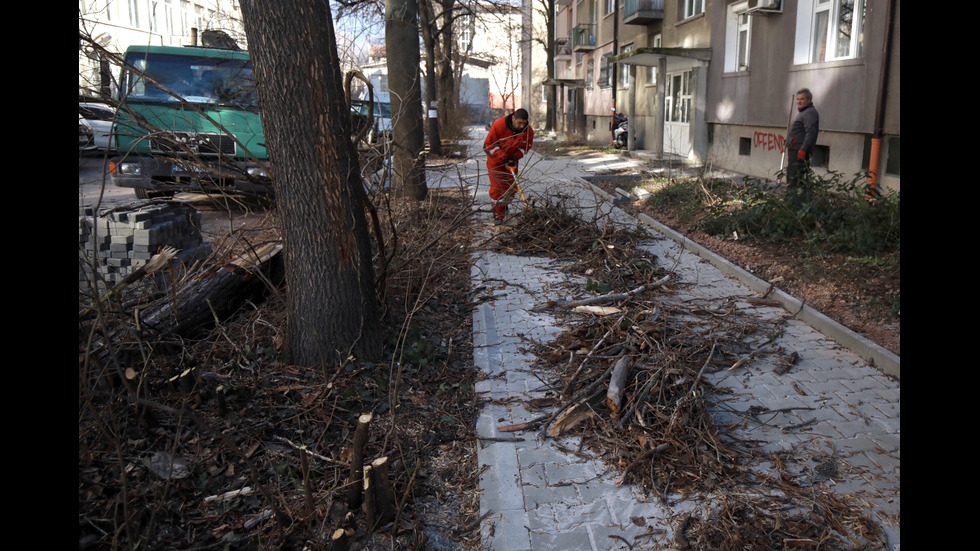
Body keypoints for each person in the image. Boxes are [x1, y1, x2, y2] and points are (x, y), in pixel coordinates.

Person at [484, 108, 534, 222]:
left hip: (512, 161)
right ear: (513, 118)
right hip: (495, 161)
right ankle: (498, 213)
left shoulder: (528, 132)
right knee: (498, 188)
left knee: (511, 187)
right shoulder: (499, 125)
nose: (522, 126)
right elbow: (488, 146)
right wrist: (503, 157)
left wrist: (515, 157)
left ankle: (503, 204)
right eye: (519, 123)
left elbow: (525, 148)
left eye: (524, 123)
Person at [785, 88, 819, 201]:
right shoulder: (803, 112)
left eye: (802, 99)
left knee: (796, 178)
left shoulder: (809, 113)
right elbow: (798, 132)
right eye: (798, 99)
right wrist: (788, 142)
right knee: (793, 177)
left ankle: (794, 203)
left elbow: (811, 133)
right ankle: (794, 201)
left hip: (799, 152)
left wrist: (803, 149)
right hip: (794, 149)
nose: (799, 101)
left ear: (809, 99)